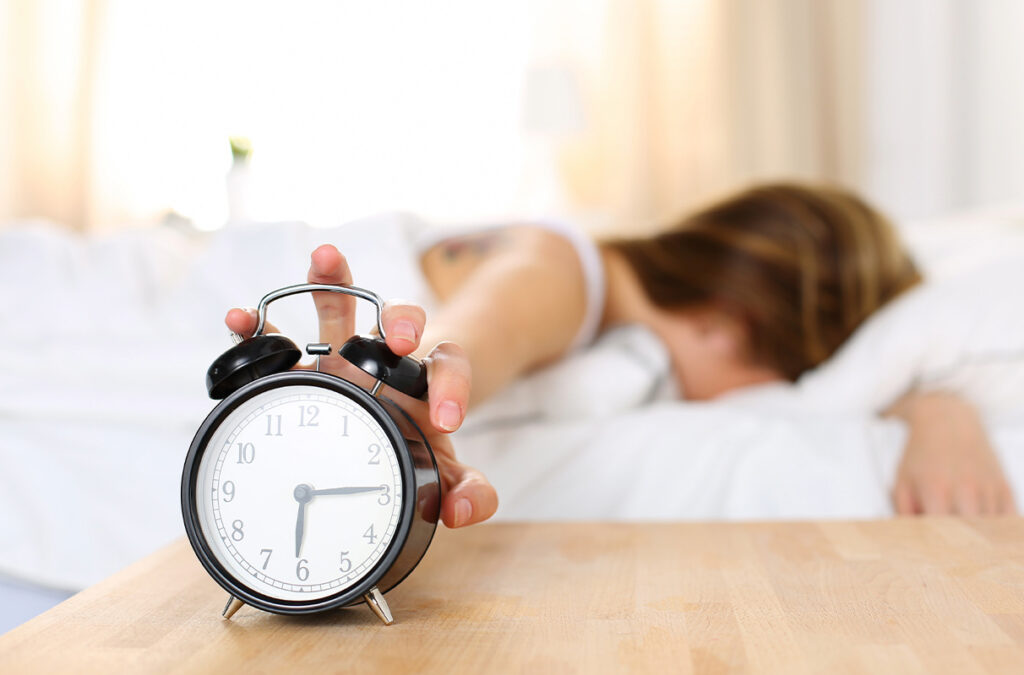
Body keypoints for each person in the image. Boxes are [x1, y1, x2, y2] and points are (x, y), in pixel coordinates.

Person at [225, 182, 1016, 523]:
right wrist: (399, 391)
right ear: (732, 324)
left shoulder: (596, 301)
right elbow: (474, 339)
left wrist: (935, 406)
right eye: (794, 373)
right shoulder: (564, 268)